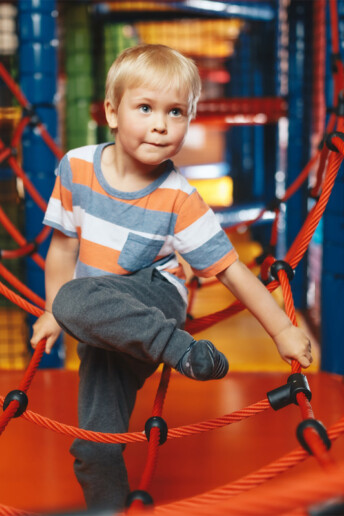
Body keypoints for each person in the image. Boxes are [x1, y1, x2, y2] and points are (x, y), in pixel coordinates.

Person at [30, 43, 312, 511]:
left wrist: (283, 329)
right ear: (112, 112)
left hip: (155, 300)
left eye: (176, 111)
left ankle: (184, 352)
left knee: (75, 299)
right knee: (91, 447)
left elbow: (231, 271)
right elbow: (63, 245)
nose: (161, 124)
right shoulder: (76, 167)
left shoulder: (180, 199)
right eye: (145, 107)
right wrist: (50, 311)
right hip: (103, 323)